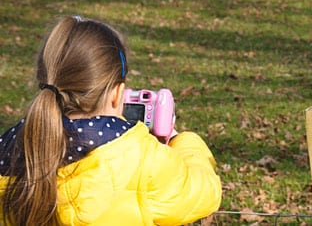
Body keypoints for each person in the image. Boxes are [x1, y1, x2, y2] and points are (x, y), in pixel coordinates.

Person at [0, 16, 222, 225]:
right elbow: (202, 192)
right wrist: (183, 141)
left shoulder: (11, 151)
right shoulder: (141, 159)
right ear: (118, 94)